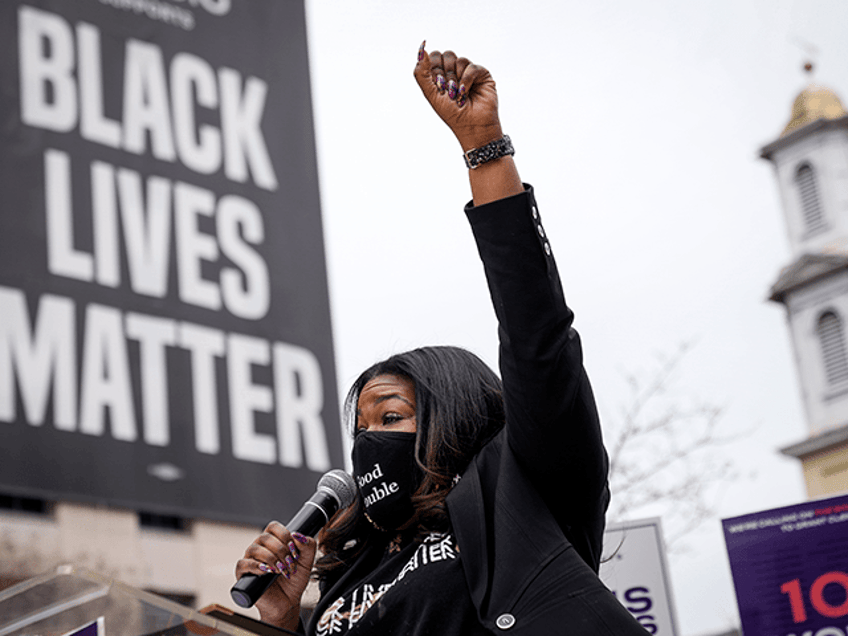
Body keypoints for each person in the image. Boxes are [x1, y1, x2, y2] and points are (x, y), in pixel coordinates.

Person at [234, 43, 648, 636]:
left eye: (392, 415)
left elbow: (539, 339)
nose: (368, 443)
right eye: (362, 428)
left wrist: (484, 147)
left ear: (454, 419)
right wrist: (280, 620)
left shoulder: (517, 494)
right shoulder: (347, 575)